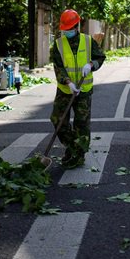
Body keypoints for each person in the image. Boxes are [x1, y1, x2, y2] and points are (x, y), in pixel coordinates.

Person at [50, 9, 106, 169]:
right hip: (65, 89)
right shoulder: (59, 44)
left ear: (76, 27)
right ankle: (73, 146)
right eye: (64, 29)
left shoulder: (88, 41)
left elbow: (100, 57)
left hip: (84, 90)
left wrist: (91, 65)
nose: (66, 32)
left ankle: (78, 155)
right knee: (57, 120)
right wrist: (68, 82)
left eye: (69, 29)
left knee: (81, 124)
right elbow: (58, 66)